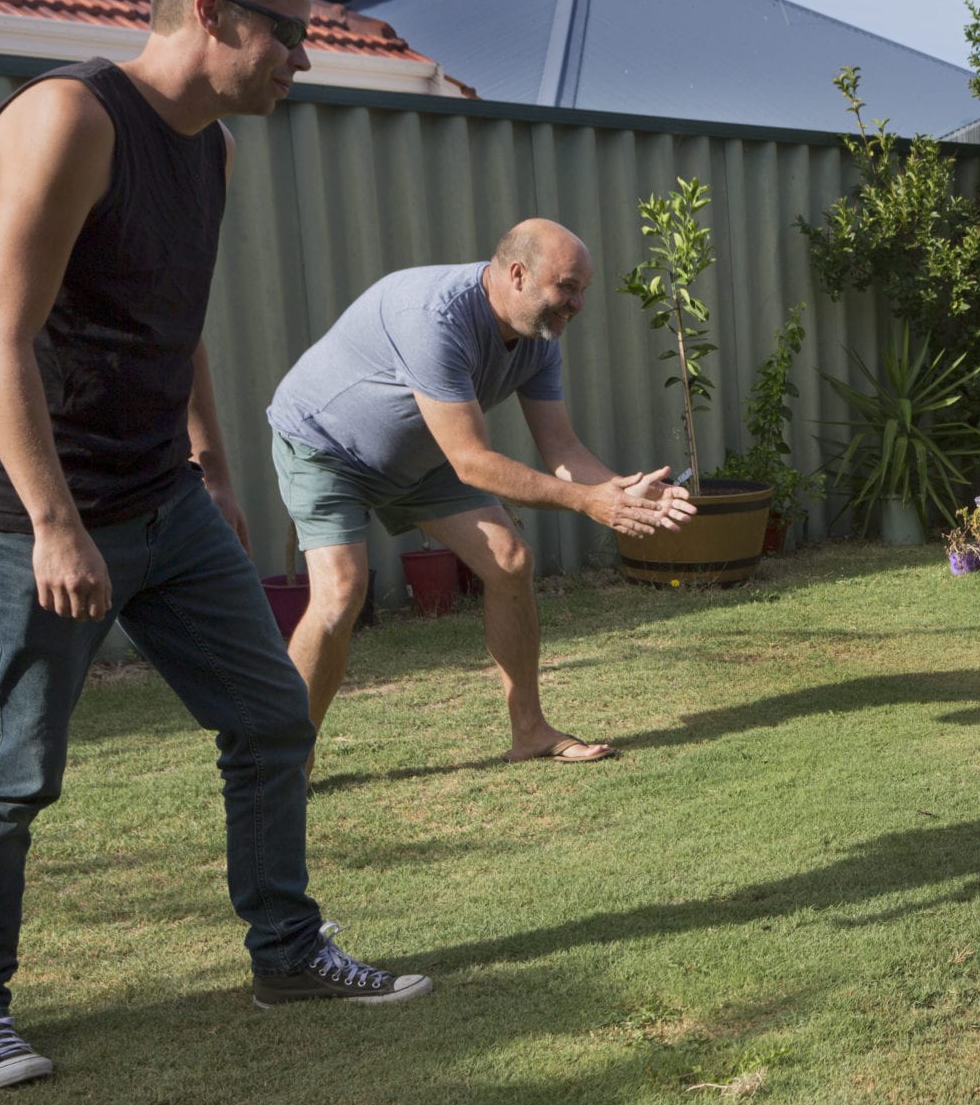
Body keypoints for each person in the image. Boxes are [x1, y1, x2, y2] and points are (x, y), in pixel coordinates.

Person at [0, 0, 430, 1091]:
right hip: (37, 511)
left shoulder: (208, 147)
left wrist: (208, 459)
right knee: (11, 769)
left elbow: (173, 310)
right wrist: (54, 523)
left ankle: (288, 952)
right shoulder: (69, 119)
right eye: (289, 37)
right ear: (209, 12)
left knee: (268, 717)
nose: (300, 61)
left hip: (165, 497)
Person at [267, 222, 694, 765]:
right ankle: (284, 762)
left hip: (424, 453)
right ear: (517, 274)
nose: (578, 303)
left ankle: (531, 731)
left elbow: (561, 448)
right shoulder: (433, 318)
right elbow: (472, 462)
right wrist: (588, 503)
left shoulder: (539, 340)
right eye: (567, 286)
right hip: (326, 445)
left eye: (583, 289)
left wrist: (620, 491)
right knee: (341, 595)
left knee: (510, 561)